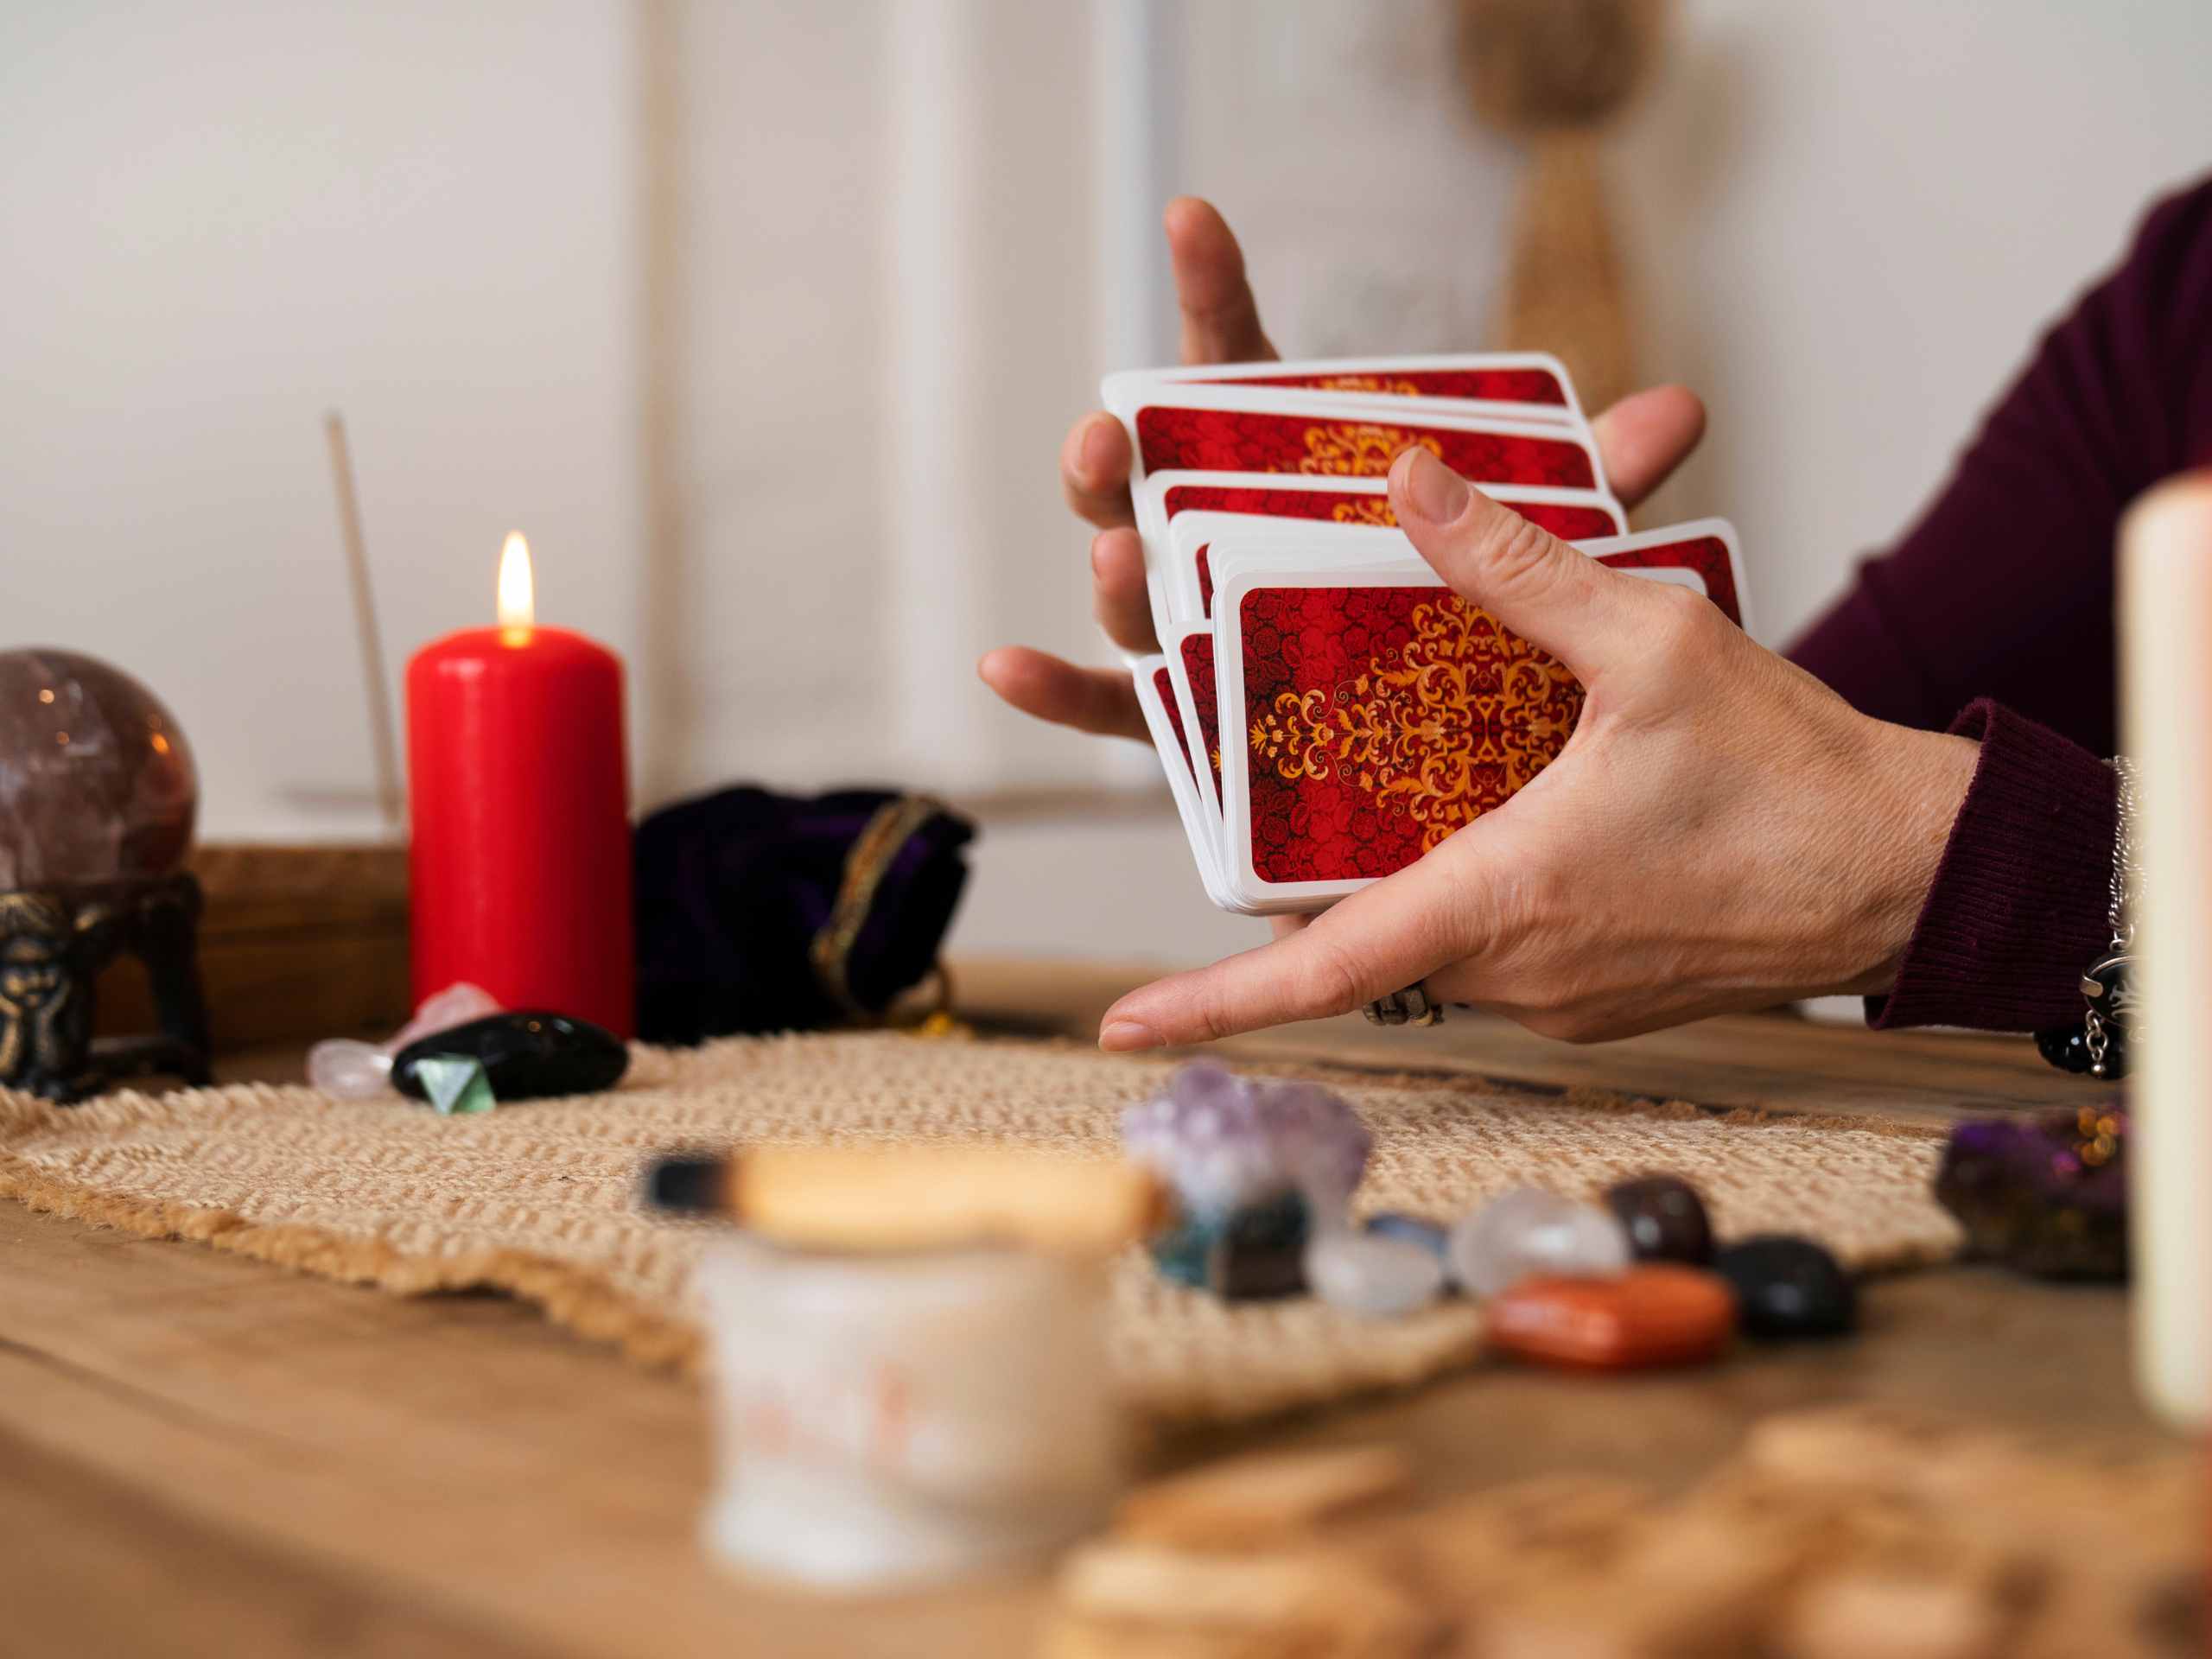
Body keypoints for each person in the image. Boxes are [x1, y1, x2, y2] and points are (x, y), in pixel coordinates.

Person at [979, 182, 2212, 1053]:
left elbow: (1842, 821)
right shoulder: (2185, 297)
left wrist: (1932, 870)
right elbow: (1771, 777)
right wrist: (1405, 715)